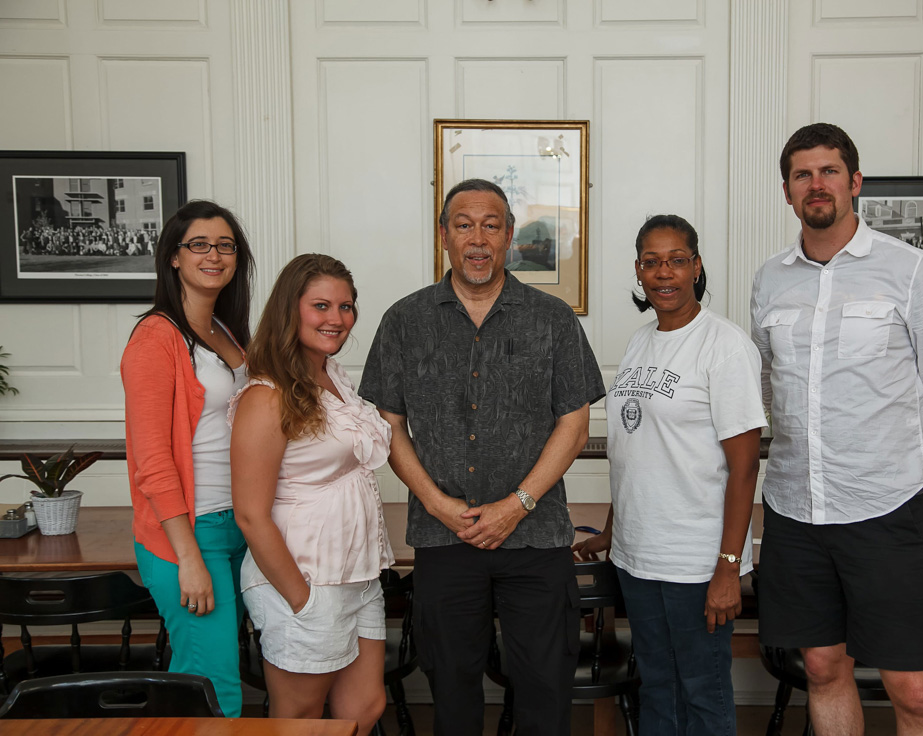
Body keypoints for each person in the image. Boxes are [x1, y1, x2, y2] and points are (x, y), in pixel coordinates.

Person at [751, 123, 923, 736]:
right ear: (787, 190)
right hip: (796, 511)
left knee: (914, 692)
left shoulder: (912, 270)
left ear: (854, 182)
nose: (816, 184)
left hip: (885, 510)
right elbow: (770, 383)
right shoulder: (770, 279)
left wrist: (914, 471)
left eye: (828, 171)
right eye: (803, 174)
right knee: (823, 668)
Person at [359, 179, 605, 736]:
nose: (478, 238)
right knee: (451, 692)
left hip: (536, 538)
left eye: (491, 225)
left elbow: (575, 420)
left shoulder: (552, 318)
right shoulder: (405, 319)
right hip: (445, 539)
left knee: (545, 693)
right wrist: (438, 504)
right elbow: (388, 422)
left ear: (509, 236)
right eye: (464, 224)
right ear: (444, 234)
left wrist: (517, 505)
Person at [574, 214, 766, 736]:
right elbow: (634, 449)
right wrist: (615, 530)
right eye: (652, 262)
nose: (664, 273)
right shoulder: (640, 343)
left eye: (677, 260)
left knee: (702, 690)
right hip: (638, 557)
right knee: (657, 684)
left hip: (696, 562)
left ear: (696, 266)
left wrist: (729, 567)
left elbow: (745, 468)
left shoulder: (724, 347)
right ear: (638, 270)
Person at [229, 254, 393, 734]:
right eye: (321, 305)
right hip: (305, 576)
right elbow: (251, 515)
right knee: (299, 721)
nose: (337, 319)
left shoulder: (332, 376)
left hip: (358, 574)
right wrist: (300, 599)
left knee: (363, 708)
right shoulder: (267, 394)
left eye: (346, 306)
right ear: (290, 310)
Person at [120, 199, 255, 716]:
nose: (214, 255)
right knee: (215, 689)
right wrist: (188, 557)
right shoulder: (156, 337)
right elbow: (151, 461)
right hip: (190, 533)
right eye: (199, 244)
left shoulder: (226, 331)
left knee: (200, 673)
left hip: (236, 525)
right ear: (173, 257)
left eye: (225, 245)